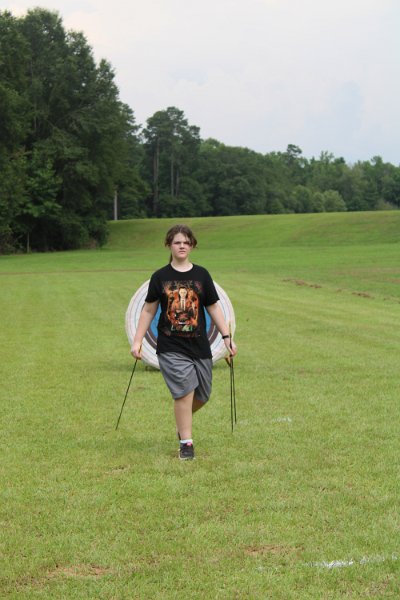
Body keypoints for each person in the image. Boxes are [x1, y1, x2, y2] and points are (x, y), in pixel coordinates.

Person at [131, 224, 237, 460]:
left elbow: (213, 307)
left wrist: (227, 337)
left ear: (192, 246)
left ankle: (182, 422)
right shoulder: (160, 277)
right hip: (170, 346)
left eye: (186, 242)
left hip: (199, 345)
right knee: (185, 392)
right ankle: (186, 443)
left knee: (203, 394)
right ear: (169, 245)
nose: (182, 246)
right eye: (177, 242)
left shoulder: (202, 275)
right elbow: (148, 310)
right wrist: (137, 341)